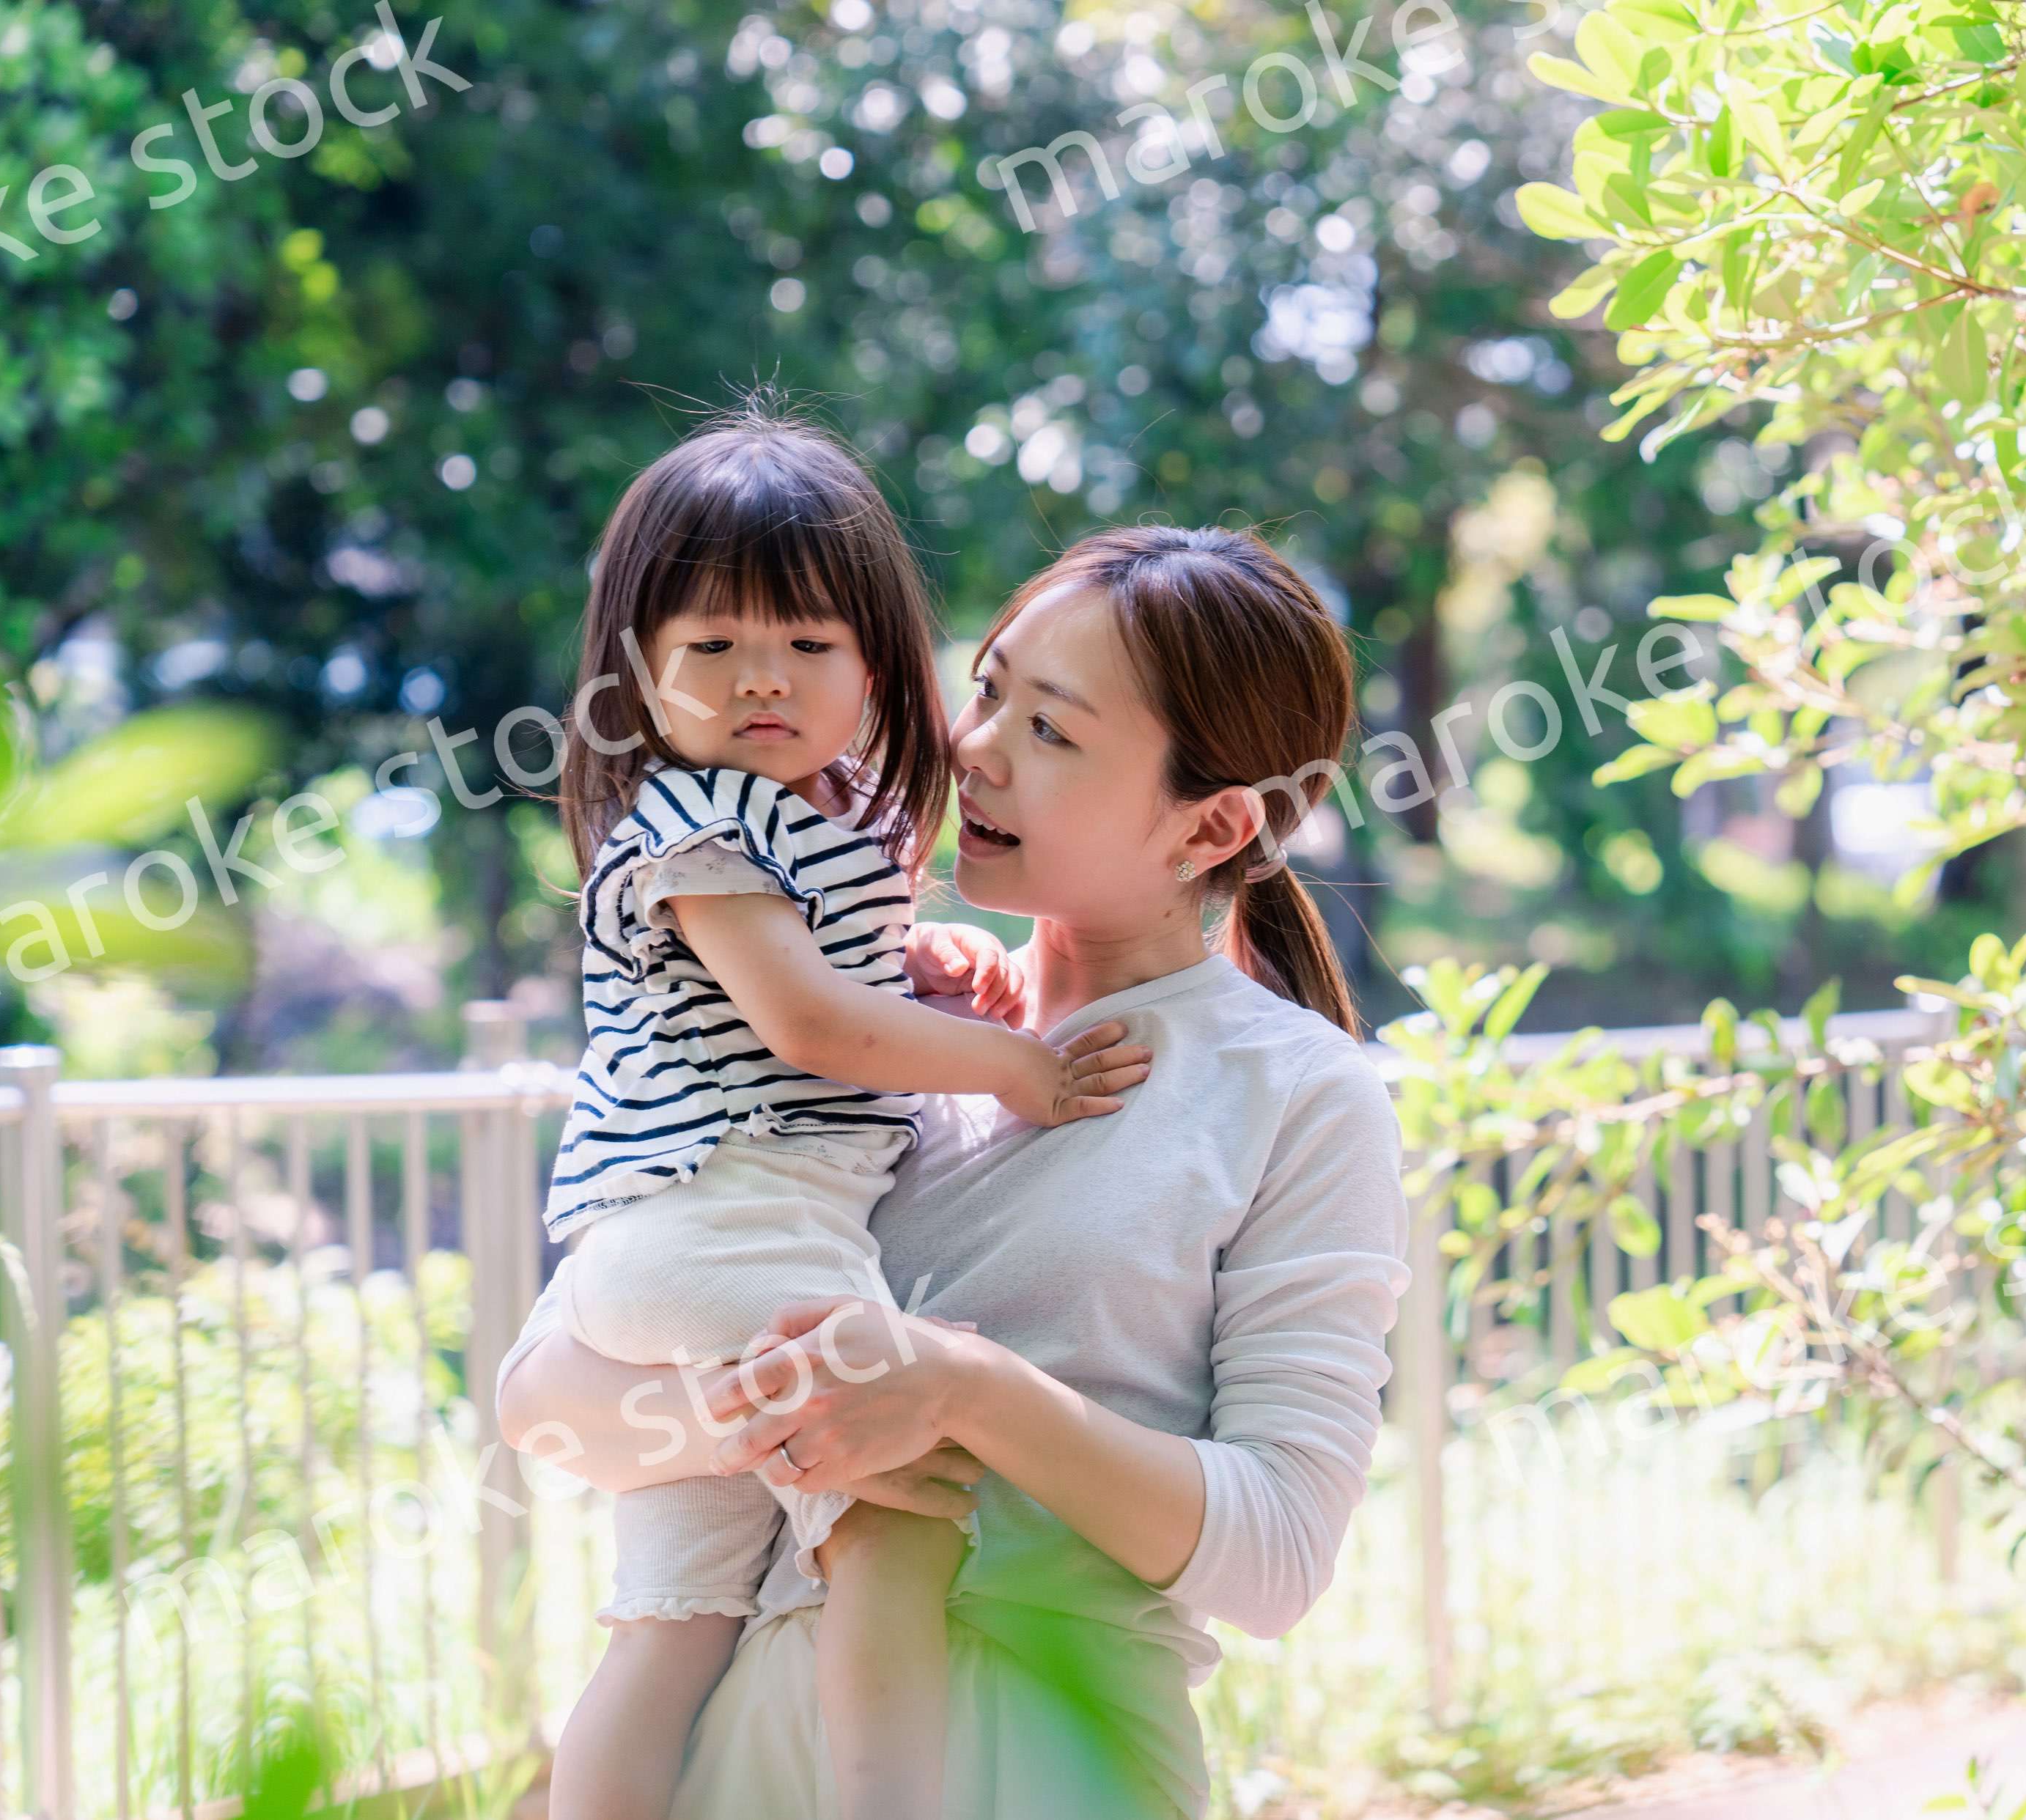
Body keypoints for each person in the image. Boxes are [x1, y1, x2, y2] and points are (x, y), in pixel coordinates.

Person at [498, 524, 1412, 1818]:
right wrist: (790, 1424)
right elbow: (543, 1406)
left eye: (1053, 731)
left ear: (1209, 825)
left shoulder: (1297, 1095)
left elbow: (1274, 1557)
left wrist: (962, 1392)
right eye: (988, 689)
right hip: (727, 1765)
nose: (976, 748)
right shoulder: (852, 1017)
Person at [531, 411, 1150, 1820]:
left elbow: (826, 981)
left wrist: (912, 964)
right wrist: (1021, 1071)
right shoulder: (700, 820)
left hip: (674, 1244)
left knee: (674, 1620)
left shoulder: (809, 820)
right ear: (637, 674)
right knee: (902, 1504)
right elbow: (806, 1024)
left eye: (811, 646)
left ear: (875, 657)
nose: (767, 680)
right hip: (732, 1216)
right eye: (715, 648)